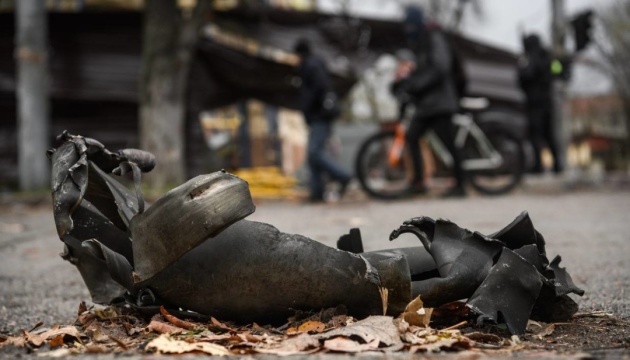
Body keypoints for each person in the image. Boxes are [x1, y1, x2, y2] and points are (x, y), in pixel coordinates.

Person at [390, 6, 466, 197]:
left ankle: (461, 185)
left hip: (440, 101)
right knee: (412, 136)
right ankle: (418, 183)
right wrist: (406, 82)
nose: (408, 30)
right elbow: (424, 70)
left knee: (448, 142)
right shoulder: (422, 42)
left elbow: (440, 68)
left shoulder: (434, 37)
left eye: (410, 25)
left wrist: (415, 85)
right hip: (428, 103)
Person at [294, 38, 352, 202]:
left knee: (314, 152)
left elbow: (320, 88)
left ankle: (343, 176)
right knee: (313, 155)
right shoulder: (314, 64)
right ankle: (317, 192)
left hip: (320, 116)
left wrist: (309, 105)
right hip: (318, 116)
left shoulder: (311, 66)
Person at [518, 34, 562, 174]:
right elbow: (557, 70)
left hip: (535, 102)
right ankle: (556, 165)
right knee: (548, 135)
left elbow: (525, 75)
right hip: (546, 101)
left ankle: (540, 166)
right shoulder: (547, 57)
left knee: (536, 135)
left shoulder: (531, 58)